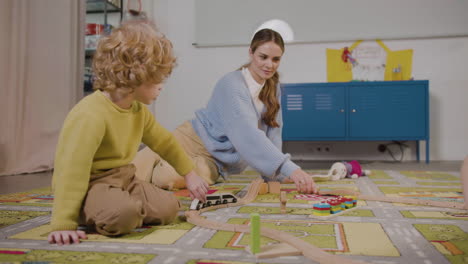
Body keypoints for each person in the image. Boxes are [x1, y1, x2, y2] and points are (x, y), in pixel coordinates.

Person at [48, 21, 208, 245]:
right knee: (123, 216)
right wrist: (63, 222)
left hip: (125, 178)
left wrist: (190, 174)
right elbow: (70, 172)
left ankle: (120, 205)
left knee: (170, 208)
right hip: (90, 184)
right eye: (158, 79)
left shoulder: (138, 110)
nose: (162, 86)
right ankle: (90, 209)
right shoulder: (90, 115)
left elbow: (165, 142)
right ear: (134, 76)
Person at [133, 28, 317, 194]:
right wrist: (289, 167)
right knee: (136, 165)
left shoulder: (273, 89)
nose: (269, 65)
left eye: (276, 59)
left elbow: (274, 132)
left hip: (216, 161)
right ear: (251, 53)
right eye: (263, 57)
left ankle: (154, 178)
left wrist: (275, 174)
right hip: (191, 138)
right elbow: (247, 132)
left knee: (166, 178)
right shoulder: (232, 84)